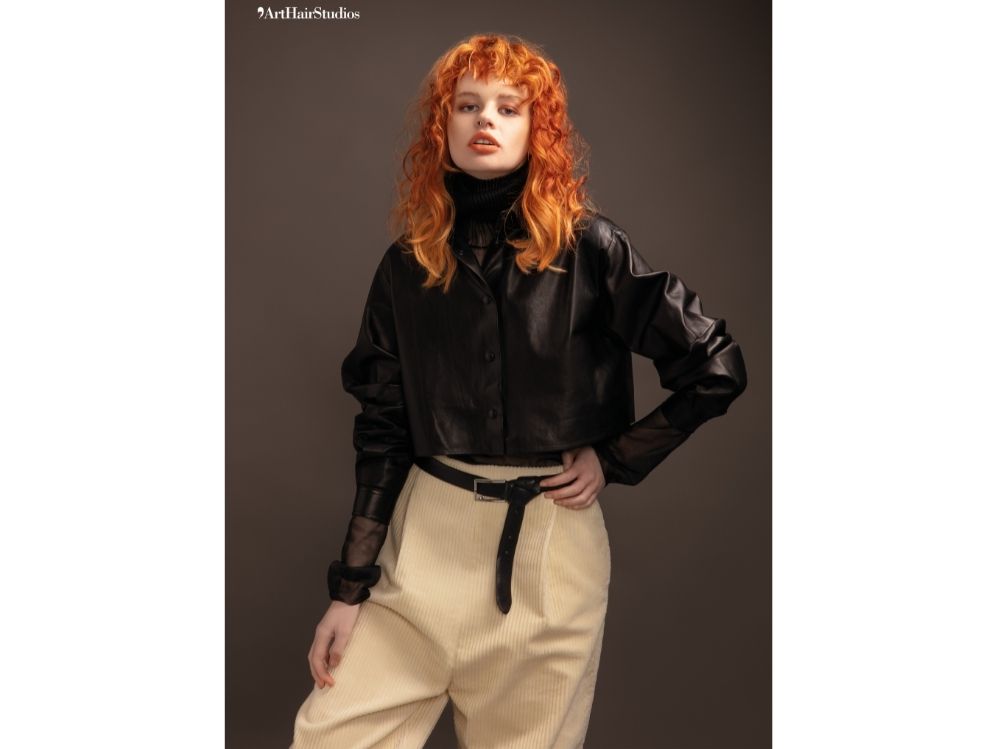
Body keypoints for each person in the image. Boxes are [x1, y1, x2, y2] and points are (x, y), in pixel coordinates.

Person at [290, 33, 747, 749]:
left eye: (509, 107)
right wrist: (350, 590)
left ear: (539, 128)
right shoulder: (407, 266)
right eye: (467, 105)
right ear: (442, 127)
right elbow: (383, 429)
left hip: (549, 554)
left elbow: (715, 364)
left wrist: (615, 458)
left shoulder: (592, 249)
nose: (486, 120)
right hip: (421, 544)